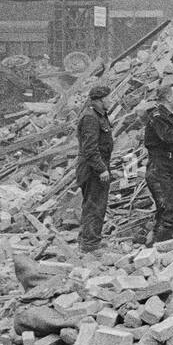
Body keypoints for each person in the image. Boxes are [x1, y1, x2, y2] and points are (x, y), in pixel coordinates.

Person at [143, 81, 173, 244]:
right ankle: (158, 249)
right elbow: (170, 137)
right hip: (160, 168)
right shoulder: (158, 116)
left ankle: (154, 246)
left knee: (164, 212)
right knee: (170, 215)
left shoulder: (168, 117)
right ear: (168, 97)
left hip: (169, 167)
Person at [76, 84, 114, 251]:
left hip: (96, 165)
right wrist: (101, 168)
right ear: (100, 100)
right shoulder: (91, 117)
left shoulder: (99, 115)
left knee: (94, 204)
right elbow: (89, 148)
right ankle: (90, 245)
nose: (110, 101)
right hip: (92, 168)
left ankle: (88, 239)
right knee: (94, 205)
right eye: (108, 98)